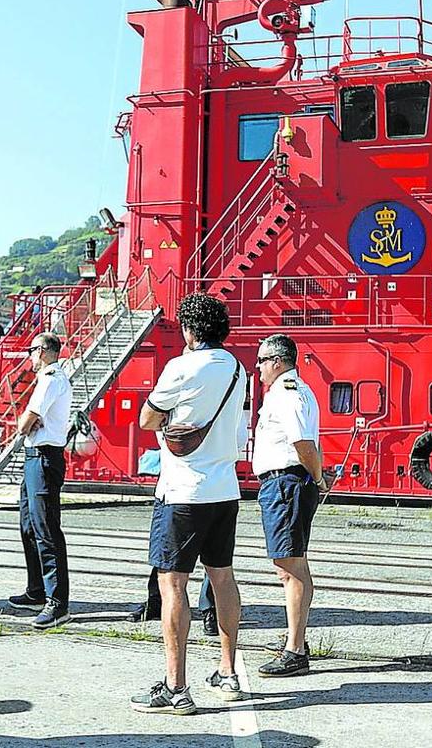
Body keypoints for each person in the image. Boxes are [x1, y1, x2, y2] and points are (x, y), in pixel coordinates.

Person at [130, 293, 247, 715]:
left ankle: (176, 687)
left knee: (172, 584)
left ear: (190, 330)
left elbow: (147, 419)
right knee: (223, 578)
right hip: (224, 489)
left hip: (182, 492)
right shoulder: (237, 368)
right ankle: (228, 672)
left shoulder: (181, 366)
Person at [251, 332, 326, 678]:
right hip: (289, 483)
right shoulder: (297, 392)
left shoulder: (286, 395)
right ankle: (297, 639)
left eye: (262, 361)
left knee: (289, 568)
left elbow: (304, 445)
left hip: (285, 483)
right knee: (295, 565)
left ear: (277, 362)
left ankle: (294, 650)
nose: (259, 367)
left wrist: (318, 477)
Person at [6, 332, 72, 630]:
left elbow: (24, 423)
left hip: (44, 456)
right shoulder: (50, 379)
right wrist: (32, 423)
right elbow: (31, 422)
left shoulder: (50, 379)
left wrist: (29, 423)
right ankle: (37, 589)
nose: (29, 356)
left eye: (32, 350)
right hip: (37, 455)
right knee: (28, 525)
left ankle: (57, 602)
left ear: (43, 351)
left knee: (45, 529)